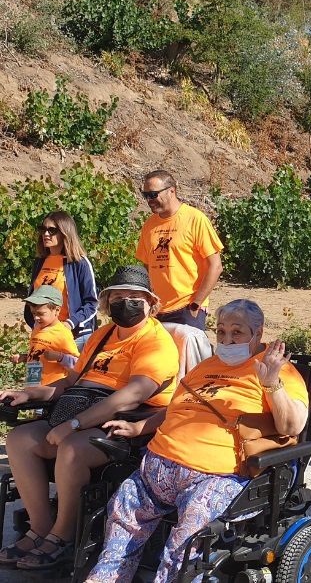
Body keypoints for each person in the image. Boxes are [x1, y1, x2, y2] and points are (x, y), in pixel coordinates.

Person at [83, 299, 309, 583]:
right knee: (123, 508)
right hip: (156, 472)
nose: (227, 339)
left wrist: (271, 383)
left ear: (258, 333)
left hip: (215, 477)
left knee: (186, 538)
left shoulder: (277, 369)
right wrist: (140, 426)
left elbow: (293, 425)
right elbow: (177, 407)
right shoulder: (205, 367)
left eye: (237, 333)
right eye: (221, 331)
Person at [0, 265, 179, 570]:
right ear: (109, 304)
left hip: (126, 423)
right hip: (83, 411)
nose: (127, 303)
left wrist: (74, 425)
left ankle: (63, 537)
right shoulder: (102, 336)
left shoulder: (156, 342)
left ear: (151, 303)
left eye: (135, 297)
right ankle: (40, 528)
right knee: (19, 439)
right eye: (119, 297)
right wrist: (29, 394)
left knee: (70, 448)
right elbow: (72, 382)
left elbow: (132, 395)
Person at [137, 170, 224, 330]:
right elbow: (147, 266)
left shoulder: (195, 219)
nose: (149, 200)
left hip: (187, 307)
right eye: (146, 195)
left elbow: (216, 266)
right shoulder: (149, 224)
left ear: (171, 191)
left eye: (153, 194)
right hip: (157, 308)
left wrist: (196, 303)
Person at [26, 211, 98, 351]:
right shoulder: (40, 261)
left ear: (65, 232)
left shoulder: (79, 263)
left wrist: (71, 323)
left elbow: (92, 303)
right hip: (46, 334)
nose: (46, 234)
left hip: (75, 336)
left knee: (74, 373)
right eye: (43, 229)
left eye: (52, 230)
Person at [10, 286, 79, 387]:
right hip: (33, 386)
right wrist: (24, 357)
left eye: (40, 314)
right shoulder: (37, 329)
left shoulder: (63, 334)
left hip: (52, 388)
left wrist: (60, 357)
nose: (36, 318)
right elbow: (38, 355)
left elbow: (77, 364)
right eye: (33, 313)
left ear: (57, 310)